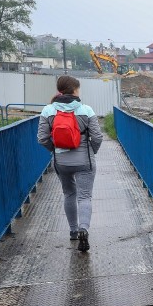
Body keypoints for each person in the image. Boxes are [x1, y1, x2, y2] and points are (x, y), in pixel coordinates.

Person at [37, 75, 103, 252]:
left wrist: (55, 149)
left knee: (69, 194)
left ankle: (73, 231)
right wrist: (92, 151)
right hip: (84, 160)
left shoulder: (48, 111)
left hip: (61, 161)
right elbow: (97, 137)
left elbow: (42, 138)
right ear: (75, 90)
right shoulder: (86, 110)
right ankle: (84, 228)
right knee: (84, 196)